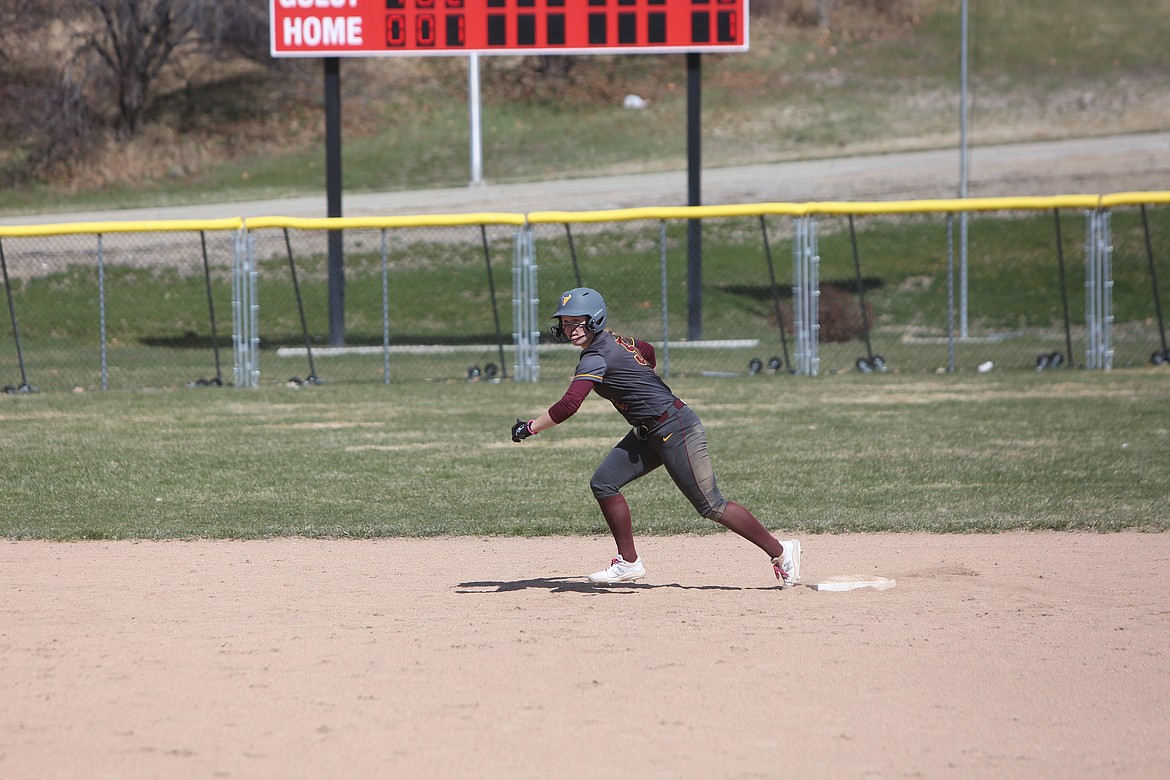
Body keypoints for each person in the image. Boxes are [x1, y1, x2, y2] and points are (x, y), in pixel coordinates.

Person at [510, 287, 801, 586]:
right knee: (604, 483)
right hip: (649, 432)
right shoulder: (617, 341)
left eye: (576, 322)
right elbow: (647, 351)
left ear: (595, 319)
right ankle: (629, 562)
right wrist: (641, 376)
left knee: (711, 506)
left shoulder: (596, 356)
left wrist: (530, 427)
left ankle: (781, 551)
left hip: (676, 428)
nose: (570, 330)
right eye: (565, 323)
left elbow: (569, 405)